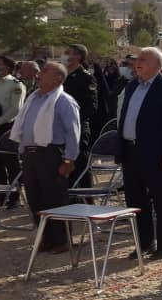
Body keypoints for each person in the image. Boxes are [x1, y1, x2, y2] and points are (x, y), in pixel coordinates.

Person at [117, 47, 162, 260]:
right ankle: (145, 242)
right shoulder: (132, 86)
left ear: (157, 65)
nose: (138, 62)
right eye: (138, 59)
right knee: (135, 199)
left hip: (156, 153)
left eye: (143, 59)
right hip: (130, 150)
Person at [13, 62, 80, 253]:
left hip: (51, 154)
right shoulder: (33, 98)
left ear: (57, 78)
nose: (38, 74)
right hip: (30, 154)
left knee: (55, 198)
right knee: (35, 197)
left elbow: (73, 132)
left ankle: (62, 240)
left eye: (44, 71)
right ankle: (46, 237)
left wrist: (69, 159)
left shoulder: (64, 101)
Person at [0, 55, 26, 207]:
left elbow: (15, 109)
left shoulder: (15, 84)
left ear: (7, 67)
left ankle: (15, 197)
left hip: (6, 128)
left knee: (11, 163)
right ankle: (0, 196)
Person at [61, 44, 98, 191]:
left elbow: (91, 106)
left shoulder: (85, 78)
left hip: (78, 127)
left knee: (80, 163)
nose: (64, 55)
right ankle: (68, 197)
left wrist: (71, 120)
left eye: (67, 53)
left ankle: (86, 196)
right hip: (59, 129)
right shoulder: (61, 76)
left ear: (78, 57)